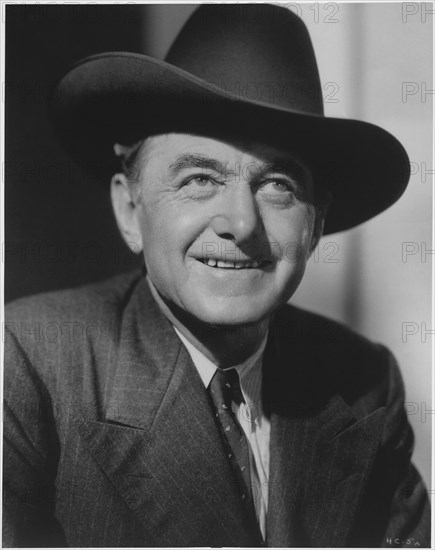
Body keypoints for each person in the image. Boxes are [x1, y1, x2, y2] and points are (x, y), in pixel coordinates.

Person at [3, 4, 430, 548]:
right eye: (200, 179)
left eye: (278, 186)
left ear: (316, 225)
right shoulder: (25, 366)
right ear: (131, 212)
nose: (241, 223)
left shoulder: (364, 384)